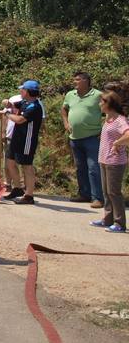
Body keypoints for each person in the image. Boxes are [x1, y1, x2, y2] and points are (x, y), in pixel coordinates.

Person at [62, 71, 105, 209]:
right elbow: (64, 109)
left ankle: (97, 198)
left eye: (77, 79)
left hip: (92, 137)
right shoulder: (70, 94)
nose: (74, 82)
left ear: (86, 80)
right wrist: (66, 123)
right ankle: (84, 194)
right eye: (74, 79)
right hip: (75, 137)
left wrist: (105, 130)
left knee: (94, 168)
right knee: (80, 167)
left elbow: (110, 111)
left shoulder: (98, 95)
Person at [92, 86, 129, 233]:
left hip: (115, 162)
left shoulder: (120, 120)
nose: (100, 104)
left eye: (102, 102)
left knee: (114, 192)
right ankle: (107, 219)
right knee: (106, 192)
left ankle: (120, 223)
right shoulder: (108, 119)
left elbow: (127, 134)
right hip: (104, 159)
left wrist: (116, 143)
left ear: (109, 103)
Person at [6, 80, 44, 205]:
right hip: (16, 138)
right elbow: (13, 105)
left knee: (27, 166)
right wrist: (7, 104)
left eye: (22, 89)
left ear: (28, 91)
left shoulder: (35, 107)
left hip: (27, 140)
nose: (20, 91)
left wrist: (7, 114)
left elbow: (20, 120)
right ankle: (17, 188)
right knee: (10, 162)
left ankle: (29, 195)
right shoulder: (24, 102)